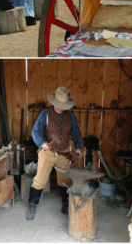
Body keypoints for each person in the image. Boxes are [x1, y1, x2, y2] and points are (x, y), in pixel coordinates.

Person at [27, 87, 83, 221]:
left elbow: (76, 132)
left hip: (64, 154)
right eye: (58, 105)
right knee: (39, 180)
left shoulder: (70, 116)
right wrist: (42, 143)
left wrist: (78, 147)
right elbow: (35, 132)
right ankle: (32, 206)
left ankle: (65, 204)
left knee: (65, 180)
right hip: (48, 152)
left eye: (63, 106)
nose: (60, 108)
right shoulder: (44, 114)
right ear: (53, 102)